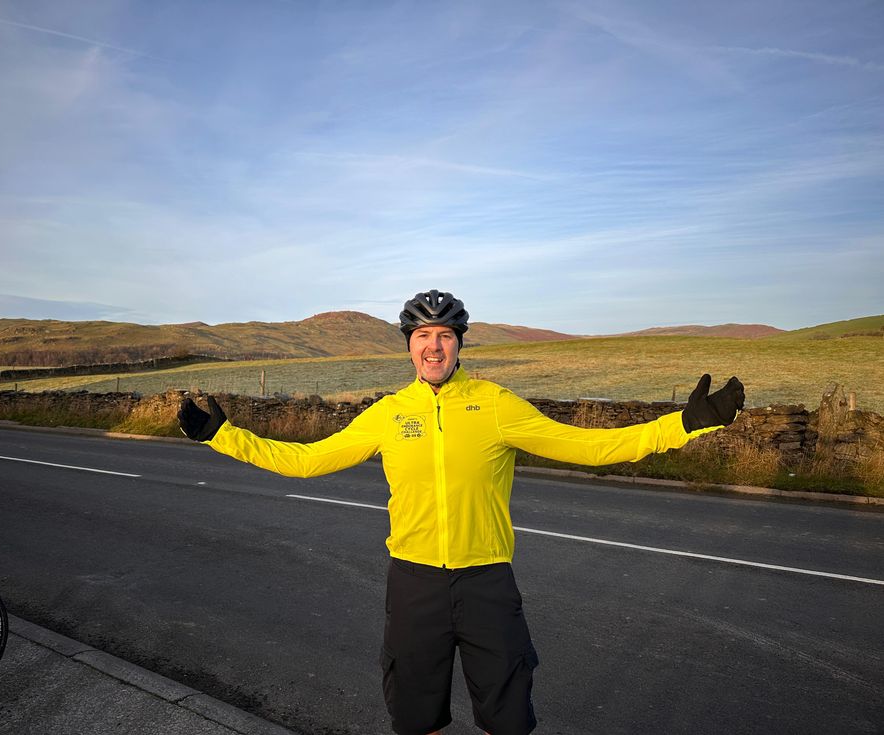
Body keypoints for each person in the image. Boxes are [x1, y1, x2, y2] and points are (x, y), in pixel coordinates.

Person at [178, 290, 744, 735]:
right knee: (417, 720)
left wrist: (684, 425)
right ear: (408, 344)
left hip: (487, 583)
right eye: (422, 334)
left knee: (508, 720)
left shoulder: (496, 405)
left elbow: (589, 447)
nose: (433, 346)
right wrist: (221, 437)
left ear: (459, 344)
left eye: (444, 335)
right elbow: (305, 461)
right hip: (414, 583)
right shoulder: (387, 414)